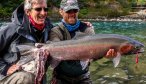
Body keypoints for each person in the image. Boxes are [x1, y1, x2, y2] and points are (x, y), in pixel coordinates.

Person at [49, 0, 116, 84]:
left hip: (83, 77)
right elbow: (54, 49)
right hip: (60, 76)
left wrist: (104, 54)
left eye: (75, 11)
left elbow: (94, 57)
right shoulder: (55, 31)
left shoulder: (87, 29)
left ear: (78, 11)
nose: (72, 14)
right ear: (61, 12)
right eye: (68, 11)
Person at [0, 0, 53, 83]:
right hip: (8, 77)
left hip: (37, 77)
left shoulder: (50, 29)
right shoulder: (12, 29)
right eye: (38, 9)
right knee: (26, 77)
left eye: (45, 9)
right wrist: (5, 68)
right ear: (28, 11)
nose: (43, 13)